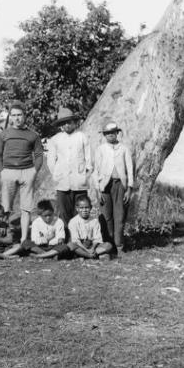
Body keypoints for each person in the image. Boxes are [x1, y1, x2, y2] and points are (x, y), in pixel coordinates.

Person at [0, 101, 45, 242]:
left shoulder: (32, 135)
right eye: (13, 115)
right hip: (9, 172)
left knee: (26, 208)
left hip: (27, 172)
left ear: (25, 116)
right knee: (6, 207)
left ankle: (23, 239)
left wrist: (34, 170)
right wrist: (2, 171)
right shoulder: (4, 134)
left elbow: (39, 155)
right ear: (9, 116)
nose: (16, 118)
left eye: (19, 115)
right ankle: (4, 238)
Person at [93, 119, 135, 254]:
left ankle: (119, 245)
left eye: (113, 132)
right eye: (108, 133)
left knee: (120, 216)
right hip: (105, 187)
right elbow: (96, 171)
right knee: (106, 217)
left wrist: (129, 189)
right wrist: (97, 190)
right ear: (104, 135)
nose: (111, 135)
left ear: (117, 133)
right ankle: (108, 245)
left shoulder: (124, 149)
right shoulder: (100, 149)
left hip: (120, 186)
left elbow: (130, 169)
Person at [47, 108, 93, 226]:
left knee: (80, 211)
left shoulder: (82, 136)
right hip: (63, 182)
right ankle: (66, 239)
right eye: (64, 123)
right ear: (61, 125)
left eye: (69, 122)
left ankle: (79, 239)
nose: (67, 125)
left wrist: (85, 176)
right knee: (64, 212)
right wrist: (57, 175)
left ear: (74, 122)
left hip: (79, 182)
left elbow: (89, 159)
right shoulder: (55, 139)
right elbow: (51, 162)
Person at [67, 195, 113, 260]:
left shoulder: (94, 221)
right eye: (81, 208)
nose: (84, 210)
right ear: (77, 208)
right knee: (71, 245)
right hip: (80, 245)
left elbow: (97, 238)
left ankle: (84, 256)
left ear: (90, 208)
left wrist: (92, 248)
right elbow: (76, 240)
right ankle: (90, 256)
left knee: (108, 245)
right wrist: (86, 250)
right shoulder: (73, 221)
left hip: (92, 245)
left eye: (87, 207)